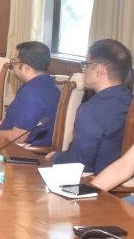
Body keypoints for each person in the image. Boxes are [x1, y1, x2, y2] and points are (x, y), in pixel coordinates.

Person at [48, 39, 133, 174]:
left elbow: (79, 164)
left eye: (86, 65)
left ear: (98, 70)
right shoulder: (129, 100)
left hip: (94, 180)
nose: (84, 71)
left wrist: (55, 157)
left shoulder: (91, 111)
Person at [0, 41, 59, 147]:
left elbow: (18, 137)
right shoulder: (49, 84)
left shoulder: (31, 94)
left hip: (18, 150)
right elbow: (12, 122)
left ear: (26, 68)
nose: (12, 67)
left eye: (14, 62)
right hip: (9, 142)